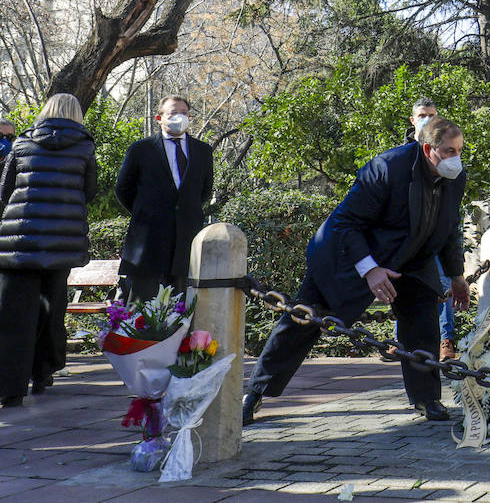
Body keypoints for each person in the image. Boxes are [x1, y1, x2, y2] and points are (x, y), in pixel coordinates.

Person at [243, 117, 471, 424]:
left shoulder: (456, 176)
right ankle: (255, 393)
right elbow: (346, 223)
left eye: (459, 150)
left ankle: (426, 398)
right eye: (449, 151)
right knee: (302, 321)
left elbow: (450, 226)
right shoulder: (387, 168)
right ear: (428, 148)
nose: (455, 158)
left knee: (422, 320)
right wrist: (371, 270)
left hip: (413, 260)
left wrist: (456, 276)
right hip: (347, 258)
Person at [0, 94, 97, 407]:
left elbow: (4, 190)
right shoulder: (85, 148)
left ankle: (11, 389)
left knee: (14, 316)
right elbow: (90, 192)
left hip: (19, 244)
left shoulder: (22, 144)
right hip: (60, 245)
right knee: (52, 309)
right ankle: (43, 373)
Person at [114, 95, 214, 302]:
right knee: (141, 308)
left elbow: (204, 191)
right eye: (173, 113)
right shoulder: (141, 149)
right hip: (148, 242)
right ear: (159, 118)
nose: (179, 117)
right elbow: (123, 189)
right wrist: (147, 211)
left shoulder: (203, 151)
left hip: (186, 241)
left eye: (184, 113)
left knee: (182, 307)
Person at [403, 97, 456, 360]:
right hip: (408, 235)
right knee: (401, 286)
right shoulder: (400, 155)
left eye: (432, 114)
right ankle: (401, 339)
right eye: (422, 114)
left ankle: (445, 340)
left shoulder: (446, 152)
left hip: (434, 232)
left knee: (443, 284)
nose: (427, 118)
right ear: (413, 120)